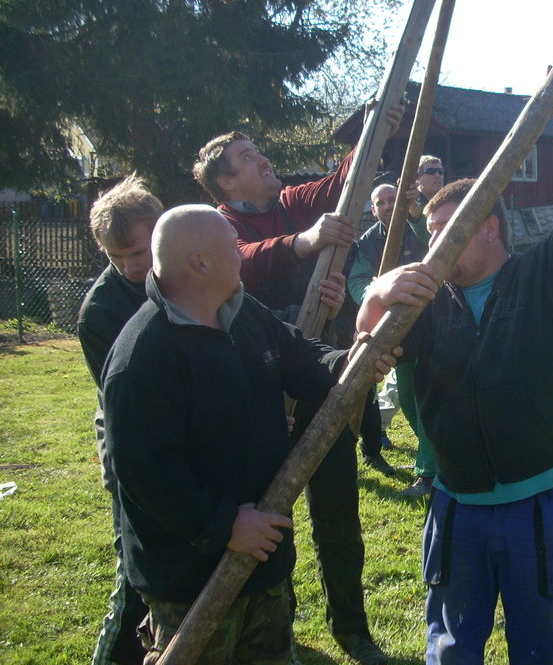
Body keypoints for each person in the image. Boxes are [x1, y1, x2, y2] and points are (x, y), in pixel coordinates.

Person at [356, 56, 553, 664]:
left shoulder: (545, 277)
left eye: (450, 228)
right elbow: (366, 359)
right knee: (450, 651)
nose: (436, 243)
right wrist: (374, 296)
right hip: (457, 506)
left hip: (539, 504)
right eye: (430, 231)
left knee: (541, 647)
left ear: (491, 228)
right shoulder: (421, 303)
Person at [102, 205, 398, 664]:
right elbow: (146, 472)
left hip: (262, 560)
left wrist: (346, 364)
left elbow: (299, 354)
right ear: (201, 263)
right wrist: (225, 525)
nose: (240, 256)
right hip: (192, 581)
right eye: (231, 248)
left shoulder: (239, 311)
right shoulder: (143, 356)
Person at [192, 122, 400, 665]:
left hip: (317, 381)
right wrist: (306, 244)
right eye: (248, 157)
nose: (263, 160)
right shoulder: (221, 227)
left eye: (259, 151)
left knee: (338, 515)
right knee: (266, 524)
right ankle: (272, 627)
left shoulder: (289, 202)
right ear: (226, 182)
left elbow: (346, 181)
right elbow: (244, 260)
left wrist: (377, 129)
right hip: (259, 396)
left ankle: (352, 629)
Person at [78, 174, 162, 665]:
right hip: (135, 448)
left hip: (189, 440)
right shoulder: (101, 312)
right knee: (136, 577)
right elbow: (135, 403)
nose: (131, 266)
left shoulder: (181, 272)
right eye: (117, 257)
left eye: (139, 251)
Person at [348, 183, 437, 497]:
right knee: (410, 403)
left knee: (430, 399)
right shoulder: (368, 242)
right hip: (399, 331)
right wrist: (377, 293)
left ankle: (429, 473)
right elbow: (358, 282)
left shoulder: (420, 225)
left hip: (434, 322)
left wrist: (414, 215)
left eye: (392, 199)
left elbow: (437, 243)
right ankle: (435, 459)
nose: (388, 206)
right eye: (381, 202)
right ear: (373, 210)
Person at [406, 155, 445, 244]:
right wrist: (410, 201)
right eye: (431, 172)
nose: (437, 175)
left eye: (440, 171)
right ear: (417, 178)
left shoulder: (448, 203)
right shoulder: (410, 203)